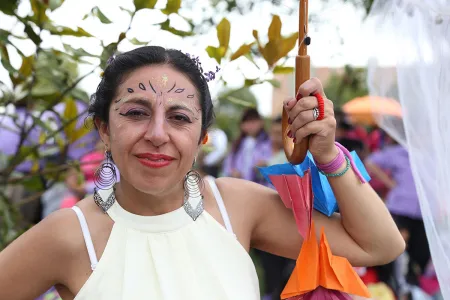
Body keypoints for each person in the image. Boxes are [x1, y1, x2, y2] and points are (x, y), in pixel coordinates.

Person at [0, 46, 404, 299]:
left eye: (179, 117)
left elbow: (379, 246)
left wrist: (328, 154)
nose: (157, 135)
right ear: (104, 129)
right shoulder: (68, 235)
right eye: (136, 113)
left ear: (202, 138)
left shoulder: (235, 207)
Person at [365, 136, 429, 296]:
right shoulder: (398, 153)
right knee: (394, 250)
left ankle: (412, 287)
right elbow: (371, 161)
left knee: (420, 252)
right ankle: (391, 284)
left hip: (423, 212)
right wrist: (389, 182)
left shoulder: (429, 156)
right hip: (400, 208)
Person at [222, 108, 272, 186]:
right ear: (242, 125)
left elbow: (272, 160)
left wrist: (264, 165)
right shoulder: (237, 144)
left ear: (261, 122)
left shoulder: (268, 142)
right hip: (239, 186)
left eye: (253, 122)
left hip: (260, 187)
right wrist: (232, 172)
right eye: (247, 122)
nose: (250, 125)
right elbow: (228, 164)